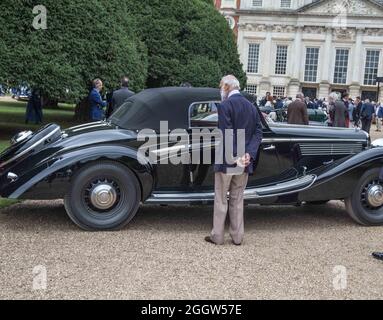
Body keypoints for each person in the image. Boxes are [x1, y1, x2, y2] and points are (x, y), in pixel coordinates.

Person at [205, 75, 263, 246]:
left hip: (227, 160)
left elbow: (226, 133)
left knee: (221, 198)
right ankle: (237, 237)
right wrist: (248, 154)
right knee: (238, 199)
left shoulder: (225, 106)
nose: (220, 89)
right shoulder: (251, 107)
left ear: (227, 87)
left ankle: (218, 236)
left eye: (221, 85)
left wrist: (234, 156)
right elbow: (258, 132)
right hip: (244, 161)